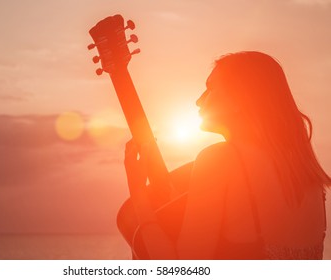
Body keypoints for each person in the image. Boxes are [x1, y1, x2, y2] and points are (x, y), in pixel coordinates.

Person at [124, 51, 330, 259]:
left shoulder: (220, 160)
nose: (199, 100)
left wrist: (138, 192)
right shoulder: (310, 177)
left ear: (240, 100)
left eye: (210, 89)